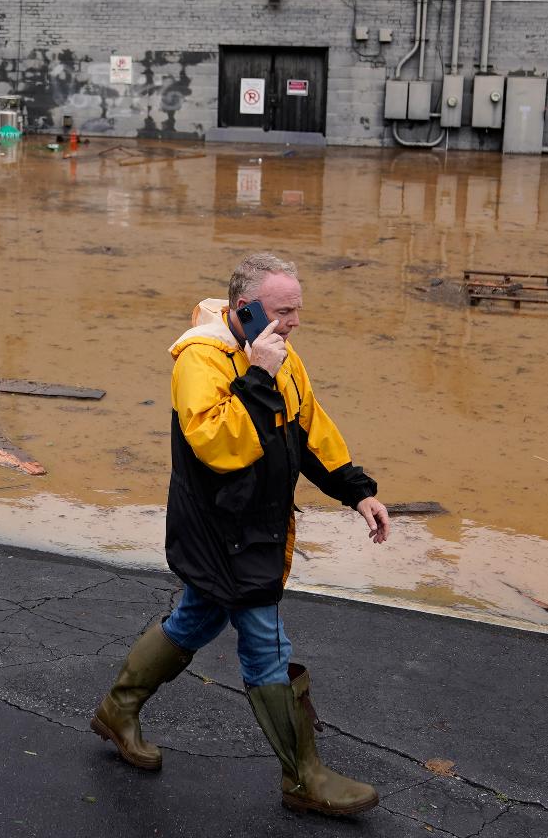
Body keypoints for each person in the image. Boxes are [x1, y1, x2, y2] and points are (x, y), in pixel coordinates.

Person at [90, 252, 391, 816]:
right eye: (284, 311)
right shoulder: (198, 361)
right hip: (219, 533)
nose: (295, 321)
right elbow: (221, 446)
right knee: (265, 643)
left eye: (299, 309)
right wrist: (258, 373)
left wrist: (358, 491)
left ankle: (118, 709)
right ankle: (303, 776)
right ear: (245, 310)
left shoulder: (283, 356)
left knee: (196, 617)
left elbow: (310, 427)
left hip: (259, 528)